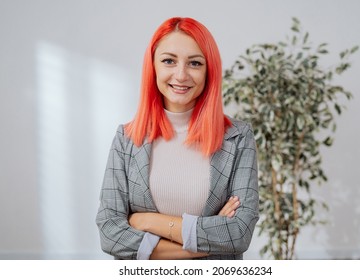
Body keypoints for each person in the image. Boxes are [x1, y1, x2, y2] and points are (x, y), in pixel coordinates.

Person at [96, 17, 259, 260]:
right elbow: (110, 234)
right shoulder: (127, 138)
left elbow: (239, 234)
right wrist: (210, 237)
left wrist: (149, 221)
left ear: (209, 70)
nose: (181, 75)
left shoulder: (237, 137)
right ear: (153, 66)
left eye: (194, 63)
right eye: (169, 61)